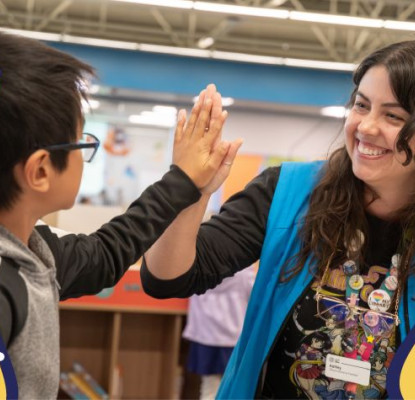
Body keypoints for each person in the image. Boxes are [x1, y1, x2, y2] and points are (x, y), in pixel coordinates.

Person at [141, 40, 415, 399]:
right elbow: (168, 278)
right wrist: (191, 191)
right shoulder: (288, 194)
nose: (366, 126)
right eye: (361, 106)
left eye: (393, 116)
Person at [0, 32, 242, 399]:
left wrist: (184, 182)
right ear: (41, 171)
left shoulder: (33, 251)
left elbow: (104, 254)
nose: (85, 157)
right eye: (83, 143)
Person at [183, 265, 255, 399]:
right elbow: (253, 293)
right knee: (234, 385)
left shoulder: (203, 262)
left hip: (206, 332)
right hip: (233, 334)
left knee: (210, 387)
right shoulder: (243, 267)